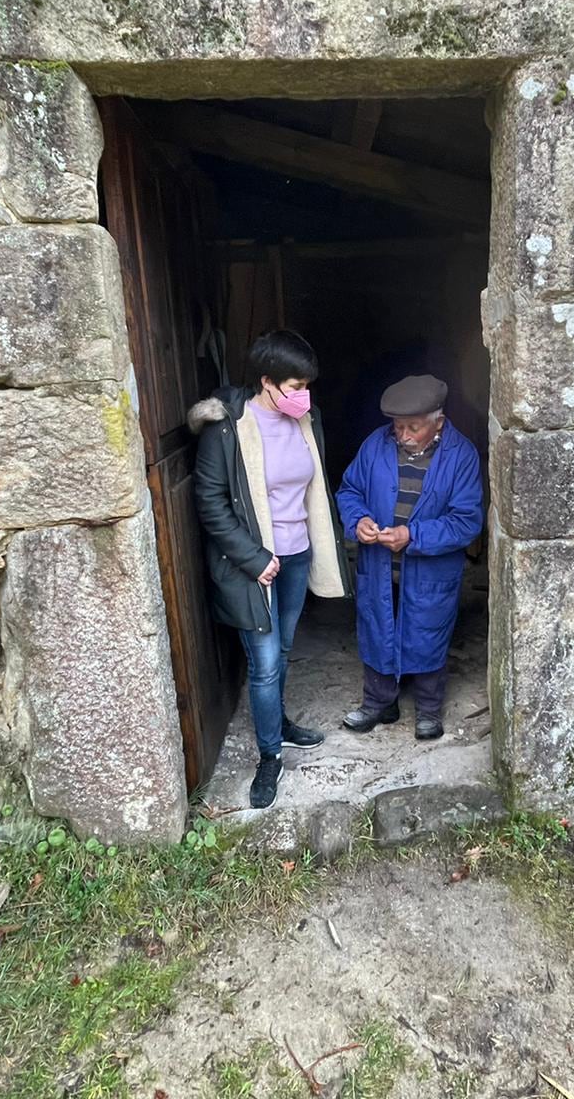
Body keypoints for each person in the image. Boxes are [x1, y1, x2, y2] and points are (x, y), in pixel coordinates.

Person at [189, 330, 350, 809]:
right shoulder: (227, 429)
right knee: (263, 665)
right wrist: (255, 559)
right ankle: (269, 755)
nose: (303, 396)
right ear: (267, 382)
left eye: (307, 386)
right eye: (294, 386)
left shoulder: (308, 420)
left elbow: (312, 488)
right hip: (253, 565)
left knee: (281, 648)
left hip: (297, 554)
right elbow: (210, 502)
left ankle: (278, 723)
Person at [335, 374, 483, 741]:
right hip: (380, 566)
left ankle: (429, 710)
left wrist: (412, 535)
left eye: (413, 427)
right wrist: (360, 521)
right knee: (377, 627)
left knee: (427, 631)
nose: (403, 435)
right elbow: (350, 490)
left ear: (439, 422)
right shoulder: (375, 445)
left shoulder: (460, 455)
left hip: (429, 570)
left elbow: (466, 522)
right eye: (398, 426)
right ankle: (378, 702)